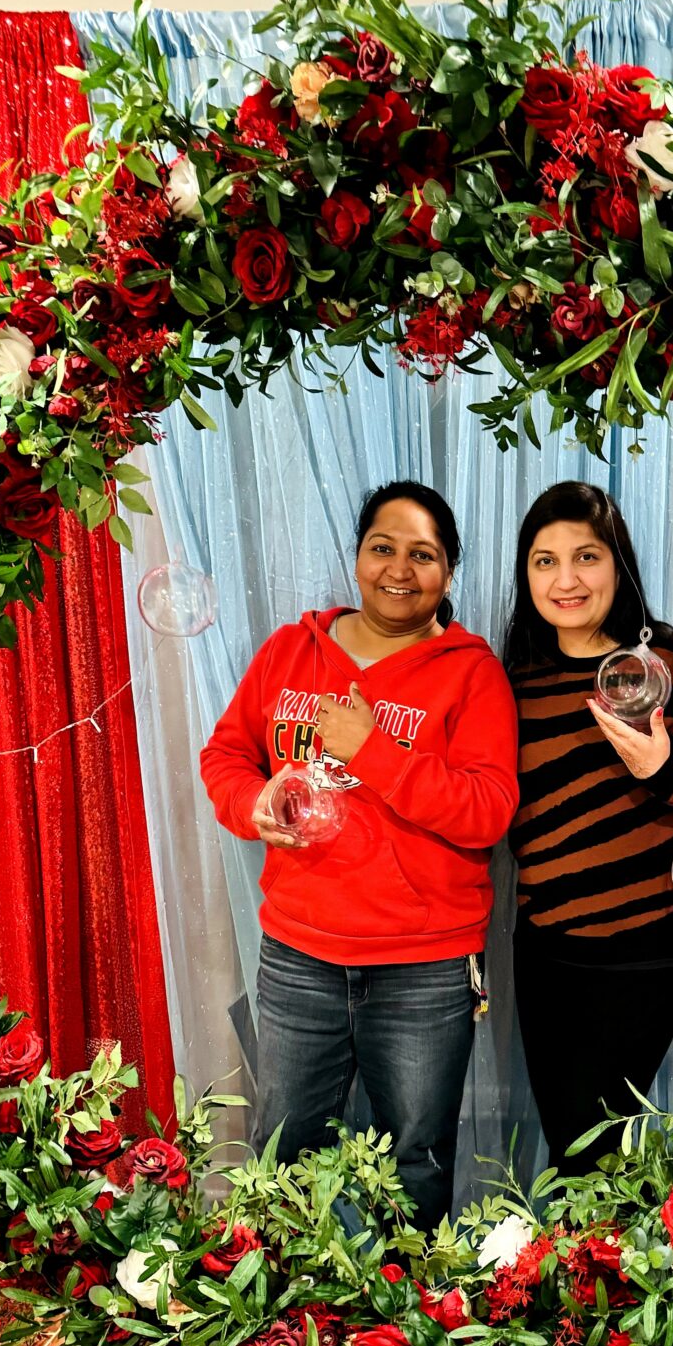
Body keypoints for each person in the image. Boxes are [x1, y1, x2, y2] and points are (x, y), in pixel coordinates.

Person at [201, 482, 518, 1223]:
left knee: (415, 1162)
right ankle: (284, 1325)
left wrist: (372, 751)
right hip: (298, 958)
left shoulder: (472, 674)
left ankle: (406, 1328)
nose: (398, 570)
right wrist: (251, 803)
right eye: (383, 547)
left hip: (425, 971)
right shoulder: (290, 650)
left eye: (423, 555)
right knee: (281, 1157)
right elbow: (225, 755)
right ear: (357, 556)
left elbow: (487, 814)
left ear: (448, 573)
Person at [504, 480, 673, 1171]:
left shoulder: (663, 664)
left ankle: (591, 1272)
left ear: (618, 564)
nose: (566, 579)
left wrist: (663, 770)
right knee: (568, 1143)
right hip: (543, 951)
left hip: (641, 951)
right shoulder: (517, 676)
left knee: (596, 1152)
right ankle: (576, 1273)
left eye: (586, 557)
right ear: (525, 573)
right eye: (545, 560)